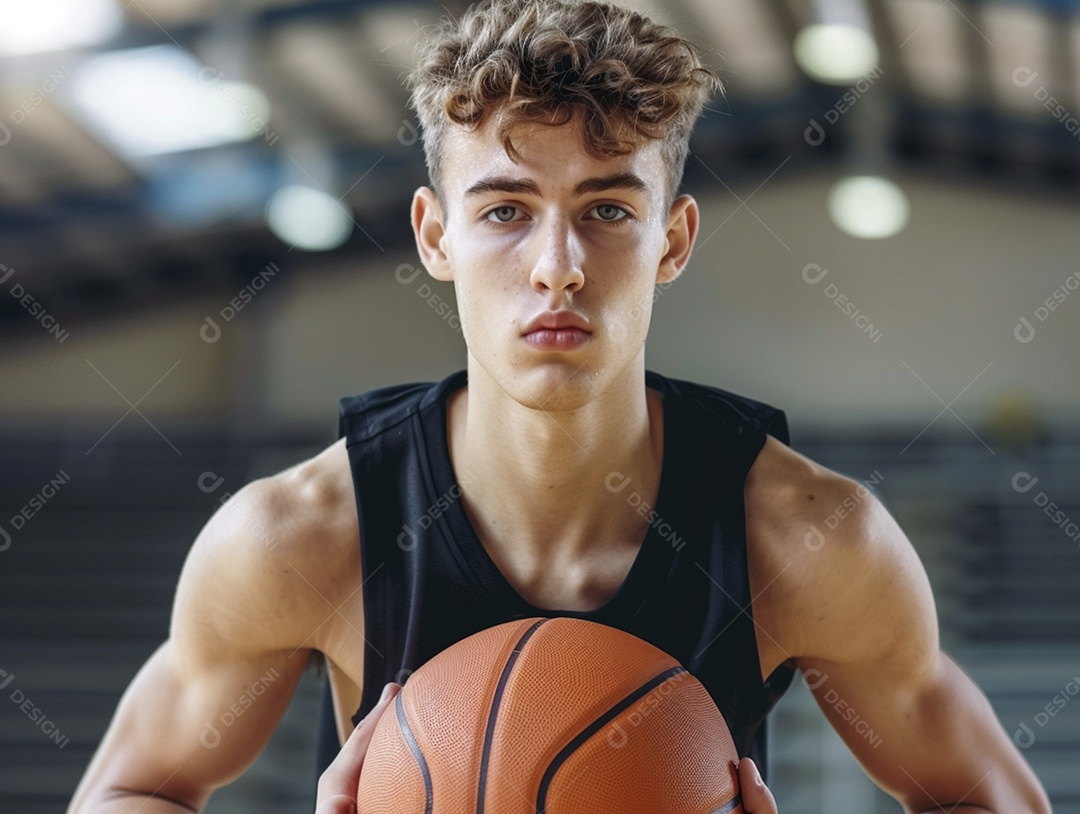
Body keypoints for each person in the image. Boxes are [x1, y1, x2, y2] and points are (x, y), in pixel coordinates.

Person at [69, 1, 1051, 813]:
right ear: (434, 235)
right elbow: (131, 788)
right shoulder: (302, 535)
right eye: (504, 211)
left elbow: (992, 797)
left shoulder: (805, 540)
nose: (557, 268)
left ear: (673, 240)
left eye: (607, 210)